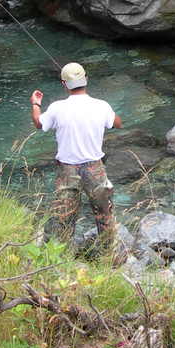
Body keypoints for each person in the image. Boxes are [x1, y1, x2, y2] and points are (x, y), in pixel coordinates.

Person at [30, 62, 123, 251]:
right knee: (105, 215)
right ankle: (110, 256)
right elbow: (117, 123)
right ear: (86, 79)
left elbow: (39, 124)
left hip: (67, 171)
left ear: (64, 84)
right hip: (95, 168)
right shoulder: (101, 106)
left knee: (64, 218)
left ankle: (62, 259)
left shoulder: (57, 108)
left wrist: (36, 104)